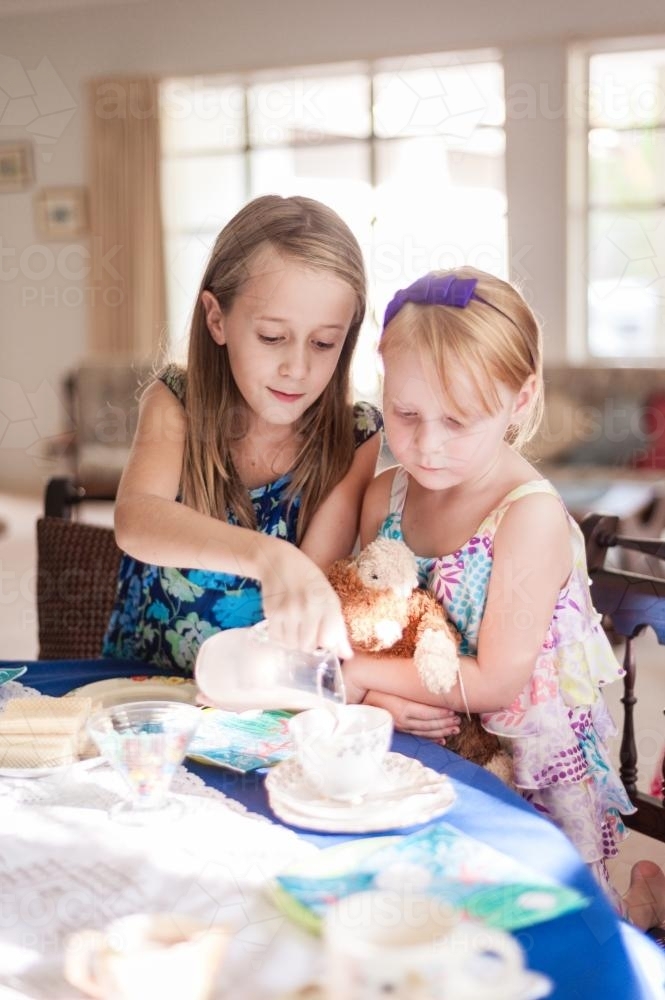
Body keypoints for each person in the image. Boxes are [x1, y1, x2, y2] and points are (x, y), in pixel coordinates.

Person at [341, 265, 665, 927]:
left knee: (542, 925)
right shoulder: (388, 494)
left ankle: (641, 900)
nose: (426, 444)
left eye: (458, 421)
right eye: (405, 414)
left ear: (519, 402)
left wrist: (353, 677)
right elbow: (367, 615)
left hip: (518, 759)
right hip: (424, 733)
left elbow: (491, 681)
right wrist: (378, 694)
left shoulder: (528, 517)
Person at [102, 194, 382, 672]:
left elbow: (310, 589)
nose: (297, 367)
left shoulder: (355, 436)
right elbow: (136, 520)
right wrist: (271, 557)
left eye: (323, 342)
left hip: (260, 694)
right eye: (272, 337)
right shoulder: (177, 400)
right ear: (217, 319)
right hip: (142, 683)